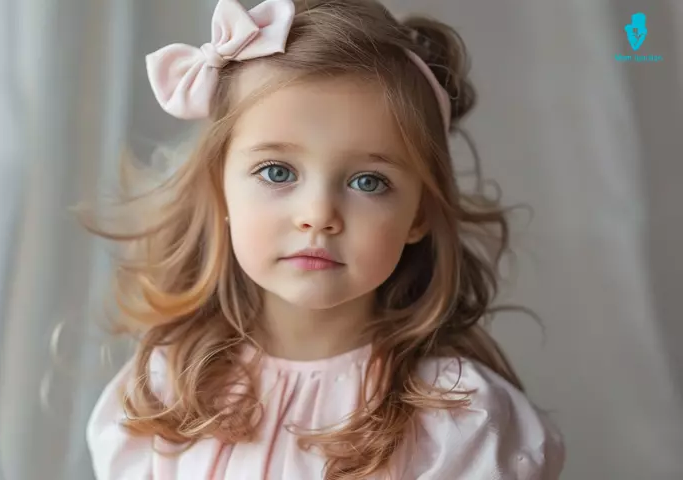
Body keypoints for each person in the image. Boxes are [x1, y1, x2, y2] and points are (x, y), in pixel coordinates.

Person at [85, 0, 565, 478]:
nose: (318, 216)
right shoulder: (164, 391)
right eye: (277, 172)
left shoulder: (459, 419)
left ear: (419, 212)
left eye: (368, 182)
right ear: (220, 189)